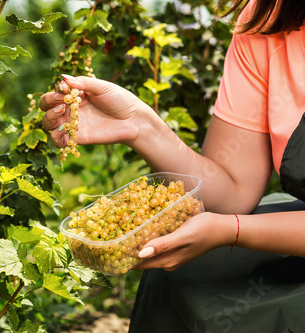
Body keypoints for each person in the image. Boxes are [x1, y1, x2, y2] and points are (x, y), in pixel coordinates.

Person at [40, 0, 305, 332]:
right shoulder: (269, 17)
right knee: (184, 271)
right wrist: (142, 128)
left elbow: (229, 221)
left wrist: (231, 231)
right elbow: (233, 193)